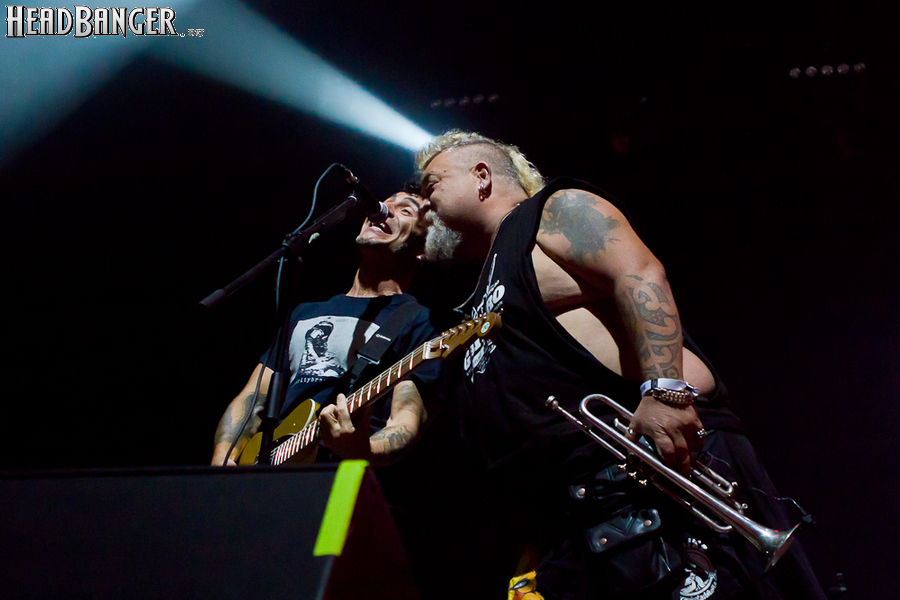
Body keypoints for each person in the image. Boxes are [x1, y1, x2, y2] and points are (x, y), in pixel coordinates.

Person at [416, 131, 826, 600]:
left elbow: (639, 274)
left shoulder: (550, 211)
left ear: (482, 177)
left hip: (661, 476)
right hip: (584, 515)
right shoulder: (482, 281)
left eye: (431, 185)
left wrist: (665, 392)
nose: (424, 203)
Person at [211, 184, 442, 469]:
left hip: (338, 477)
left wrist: (363, 450)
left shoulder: (421, 322)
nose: (383, 210)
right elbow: (253, 398)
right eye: (384, 202)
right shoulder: (304, 313)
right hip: (268, 471)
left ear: (424, 248)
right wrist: (223, 457)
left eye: (404, 210)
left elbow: (405, 422)